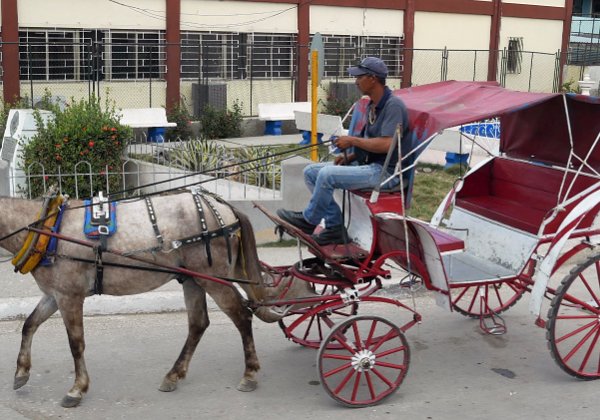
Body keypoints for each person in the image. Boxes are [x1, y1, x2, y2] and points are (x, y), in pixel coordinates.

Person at [277, 56, 411, 245]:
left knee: (327, 175)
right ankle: (334, 227)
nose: (356, 81)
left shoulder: (393, 106)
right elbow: (369, 142)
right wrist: (352, 156)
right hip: (369, 164)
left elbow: (387, 145)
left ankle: (309, 221)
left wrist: (352, 140)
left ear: (373, 78)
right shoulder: (372, 105)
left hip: (385, 172)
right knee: (310, 172)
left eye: (360, 77)